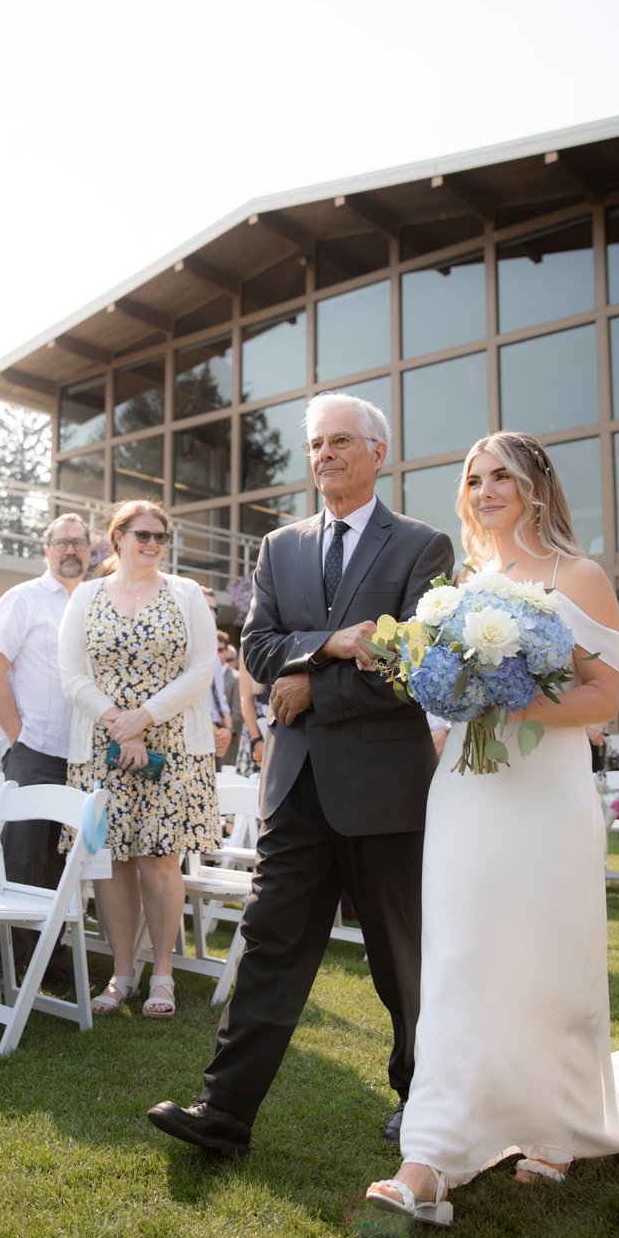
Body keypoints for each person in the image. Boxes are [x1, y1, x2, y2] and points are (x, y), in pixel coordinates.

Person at [366, 433, 619, 1224]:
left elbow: (604, 698)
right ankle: (431, 1159)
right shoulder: (461, 589)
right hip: (466, 794)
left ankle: (555, 1128)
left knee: (548, 958)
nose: (486, 489)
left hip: (547, 798)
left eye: (503, 475)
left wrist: (520, 700)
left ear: (536, 486)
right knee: (459, 960)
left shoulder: (579, 576)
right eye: (474, 479)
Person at [148, 392, 453, 1156]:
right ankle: (223, 1112)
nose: (325, 455)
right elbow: (258, 650)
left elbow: (413, 668)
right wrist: (333, 645)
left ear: (378, 452)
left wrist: (312, 687)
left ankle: (424, 1101)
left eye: (341, 441)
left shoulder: (423, 548)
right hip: (295, 787)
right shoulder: (279, 547)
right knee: (268, 944)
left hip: (386, 792)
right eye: (316, 444)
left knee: (402, 957)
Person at [59, 498, 220, 1021]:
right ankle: (122, 973)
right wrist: (118, 723)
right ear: (118, 538)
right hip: (102, 746)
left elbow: (202, 669)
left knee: (160, 859)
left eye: (159, 537)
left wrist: (143, 719)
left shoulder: (186, 593)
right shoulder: (86, 596)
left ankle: (163, 974)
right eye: (142, 535)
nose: (152, 544)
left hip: (172, 745)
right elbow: (71, 675)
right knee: (113, 862)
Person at [0, 514, 91, 890]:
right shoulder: (23, 598)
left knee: (64, 872)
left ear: (89, 551)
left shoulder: (96, 603)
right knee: (22, 866)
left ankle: (56, 933)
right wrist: (18, 736)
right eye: (61, 543)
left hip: (82, 758)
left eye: (78, 543)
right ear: (47, 550)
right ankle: (16, 933)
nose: (70, 550)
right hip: (35, 753)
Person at [202, 588, 233, 761]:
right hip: (198, 729)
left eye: (216, 609)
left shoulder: (214, 655)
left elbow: (221, 698)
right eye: (208, 608)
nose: (213, 614)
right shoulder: (184, 649)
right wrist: (214, 731)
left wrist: (227, 731)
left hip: (218, 732)